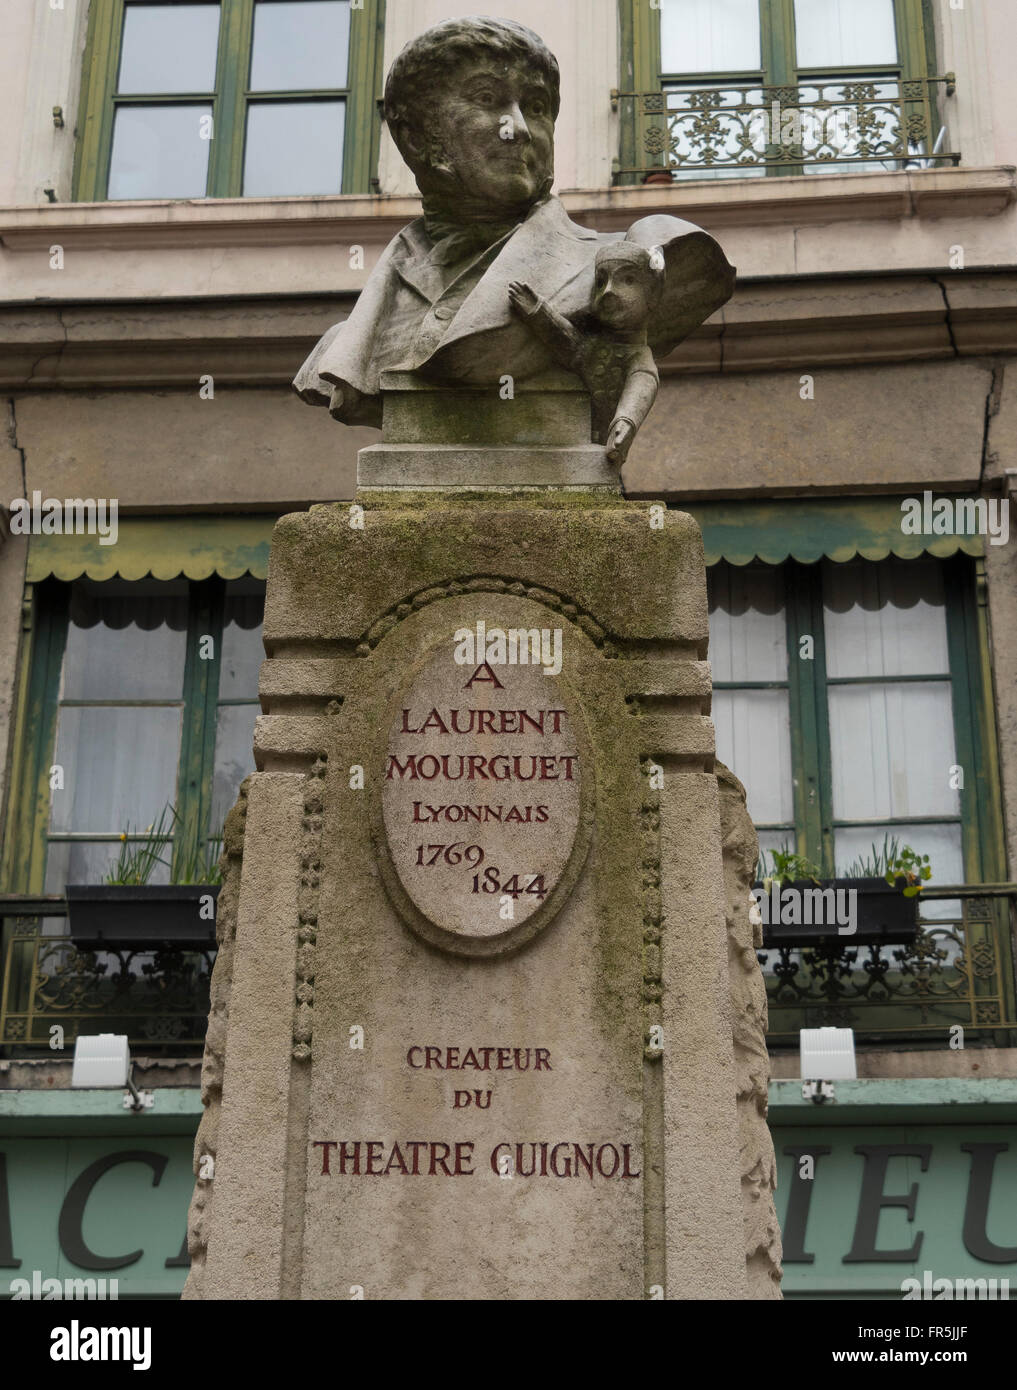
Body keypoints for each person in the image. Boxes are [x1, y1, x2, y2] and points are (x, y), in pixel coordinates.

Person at [293, 16, 734, 435]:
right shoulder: (351, 340)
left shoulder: (624, 261)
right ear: (415, 136)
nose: (519, 128)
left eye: (537, 107)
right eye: (487, 99)